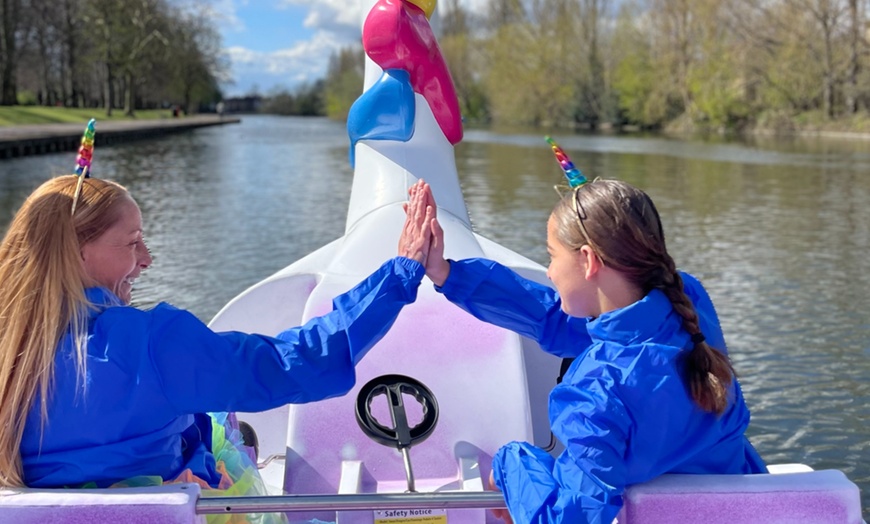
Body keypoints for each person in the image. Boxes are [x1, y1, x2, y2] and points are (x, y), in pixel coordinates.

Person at [0, 176, 434, 506]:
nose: (147, 259)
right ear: (76, 253)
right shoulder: (152, 346)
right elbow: (293, 364)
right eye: (133, 243)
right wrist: (399, 275)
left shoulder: (9, 346)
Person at [405, 178, 766, 524]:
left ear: (589, 261)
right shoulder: (689, 300)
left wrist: (510, 463)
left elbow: (564, 519)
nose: (548, 271)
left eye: (551, 255)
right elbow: (557, 321)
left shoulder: (595, 394)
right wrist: (447, 273)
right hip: (756, 511)